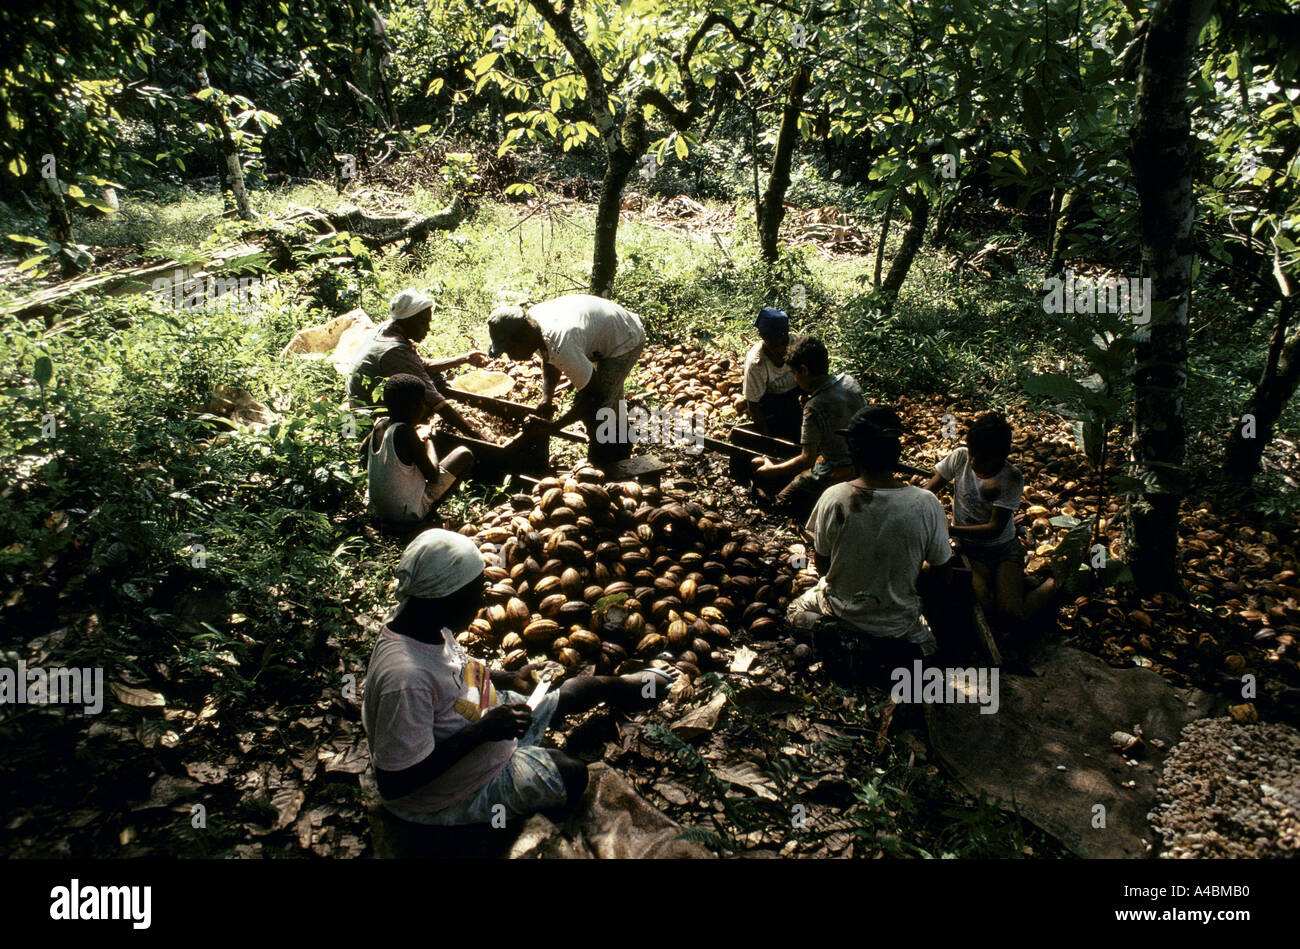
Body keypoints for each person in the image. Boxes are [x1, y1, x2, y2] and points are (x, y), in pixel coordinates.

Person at [362, 529, 679, 826]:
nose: (481, 603)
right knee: (572, 774)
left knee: (573, 691)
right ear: (445, 599)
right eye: (475, 596)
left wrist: (510, 678)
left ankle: (633, 686)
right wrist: (484, 731)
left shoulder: (423, 621)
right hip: (443, 795)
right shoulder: (405, 678)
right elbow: (395, 784)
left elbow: (454, 669)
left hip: (475, 714)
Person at [787, 406, 953, 680]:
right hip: (897, 624)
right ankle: (890, 653)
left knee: (794, 612)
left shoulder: (834, 496)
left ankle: (848, 642)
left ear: (854, 452)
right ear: (895, 454)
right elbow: (942, 573)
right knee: (927, 648)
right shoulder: (926, 503)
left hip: (841, 613)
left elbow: (824, 566)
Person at [924, 411, 1056, 624]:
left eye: (983, 458)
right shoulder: (960, 457)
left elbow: (994, 528)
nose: (974, 461)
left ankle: (1054, 582)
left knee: (1012, 615)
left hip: (1002, 549)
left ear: (1000, 457)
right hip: (971, 550)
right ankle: (1001, 585)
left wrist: (950, 530)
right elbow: (928, 492)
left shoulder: (1011, 477)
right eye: (973, 453)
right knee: (983, 606)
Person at [485, 294, 645, 465]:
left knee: (599, 410)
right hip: (607, 330)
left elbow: (593, 396)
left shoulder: (561, 343)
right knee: (610, 401)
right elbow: (549, 359)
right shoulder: (533, 327)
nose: (511, 357)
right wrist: (547, 397)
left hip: (625, 339)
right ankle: (621, 451)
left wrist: (554, 427)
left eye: (510, 350)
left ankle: (603, 464)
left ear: (523, 337)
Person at [346, 288, 488, 439]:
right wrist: (475, 434)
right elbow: (434, 398)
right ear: (407, 321)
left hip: (372, 396)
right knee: (427, 391)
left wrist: (465, 358)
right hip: (369, 414)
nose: (428, 328)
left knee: (436, 378)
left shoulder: (391, 328)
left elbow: (422, 365)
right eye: (423, 323)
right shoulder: (394, 351)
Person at [752, 335, 866, 522]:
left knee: (782, 501)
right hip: (864, 459)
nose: (795, 380)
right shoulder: (849, 381)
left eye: (794, 374)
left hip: (840, 466)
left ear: (803, 370)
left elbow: (807, 459)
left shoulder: (815, 406)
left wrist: (770, 470)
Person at [361, 374, 474, 524]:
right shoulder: (404, 432)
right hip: (404, 515)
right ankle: (427, 515)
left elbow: (364, 453)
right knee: (464, 454)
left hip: (376, 509)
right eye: (422, 403)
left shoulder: (379, 425)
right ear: (413, 407)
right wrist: (429, 440)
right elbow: (432, 476)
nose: (424, 408)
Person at [741, 307, 801, 442]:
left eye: (783, 342)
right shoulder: (756, 363)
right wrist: (768, 439)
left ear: (787, 334)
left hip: (798, 396)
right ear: (762, 338)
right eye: (774, 345)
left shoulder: (796, 344)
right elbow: (753, 405)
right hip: (772, 404)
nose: (781, 349)